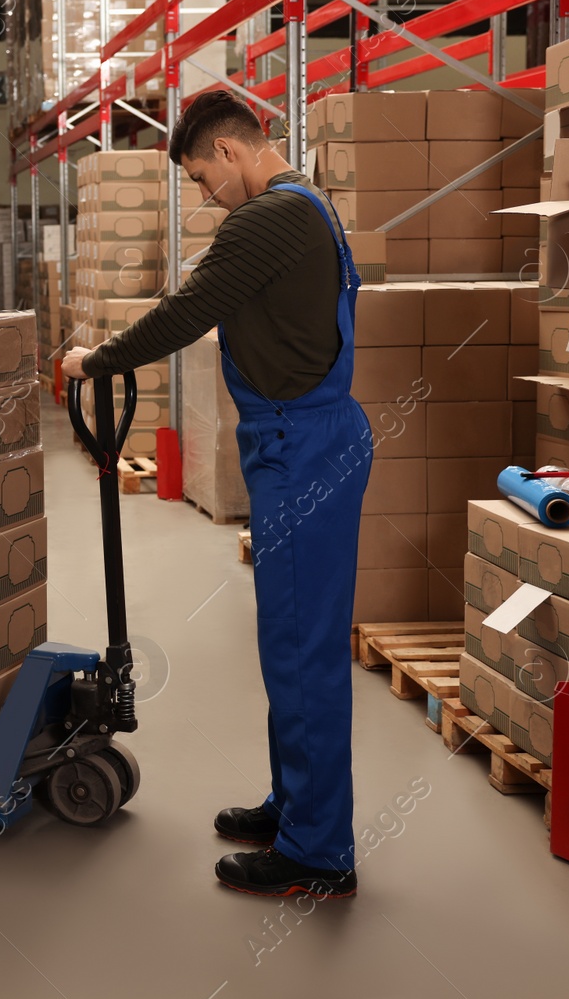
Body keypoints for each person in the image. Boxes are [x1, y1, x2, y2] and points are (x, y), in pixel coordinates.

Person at [63, 90, 371, 899]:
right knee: (289, 643)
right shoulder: (307, 203)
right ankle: (296, 805)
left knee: (302, 651)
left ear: (233, 152)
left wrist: (95, 361)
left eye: (203, 177)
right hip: (302, 439)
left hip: (301, 446)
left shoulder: (267, 218)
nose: (205, 195)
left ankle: (318, 849)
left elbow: (187, 310)